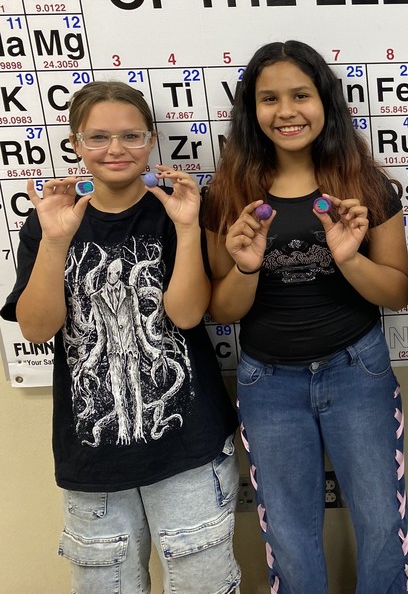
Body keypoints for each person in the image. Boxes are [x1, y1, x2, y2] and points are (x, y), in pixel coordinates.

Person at [2, 81, 239, 594]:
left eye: (131, 136)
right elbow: (37, 328)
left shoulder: (177, 211)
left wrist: (187, 228)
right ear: (75, 143)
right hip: (92, 455)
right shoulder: (48, 222)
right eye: (98, 137)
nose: (115, 149)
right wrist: (55, 241)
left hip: (189, 445)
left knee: (203, 583)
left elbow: (187, 315)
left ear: (151, 140)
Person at [202, 40, 408, 594]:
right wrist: (246, 268)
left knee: (383, 521)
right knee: (288, 531)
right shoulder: (227, 194)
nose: (286, 111)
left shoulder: (364, 185)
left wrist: (349, 259)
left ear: (325, 101)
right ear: (251, 109)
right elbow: (222, 310)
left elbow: (398, 292)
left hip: (357, 372)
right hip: (268, 383)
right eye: (269, 98)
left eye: (301, 95)